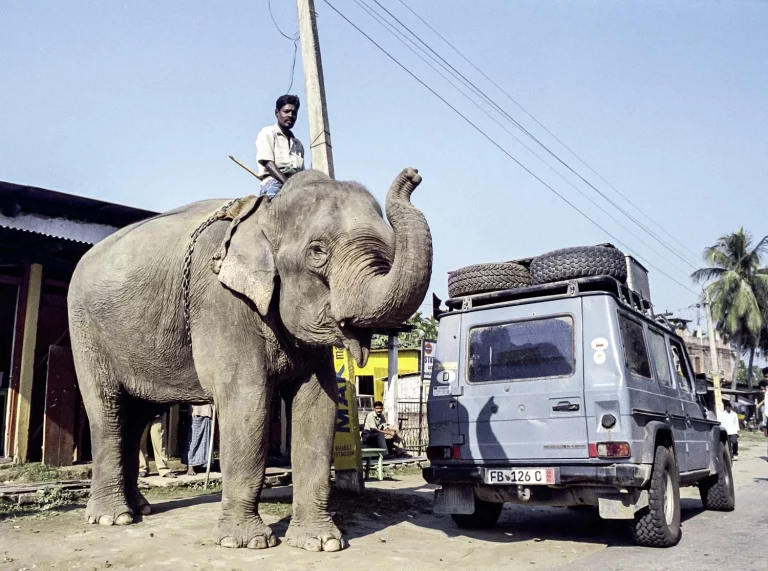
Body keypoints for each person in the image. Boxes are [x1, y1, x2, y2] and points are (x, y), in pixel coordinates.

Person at [255, 94, 305, 199]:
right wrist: (287, 183)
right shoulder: (267, 133)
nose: (290, 115)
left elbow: (301, 174)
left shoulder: (298, 145)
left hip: (296, 187)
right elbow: (267, 162)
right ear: (277, 113)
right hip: (273, 183)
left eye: (294, 113)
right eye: (286, 112)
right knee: (276, 209)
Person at [139, 412, 175, 478]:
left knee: (159, 438)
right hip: (140, 408)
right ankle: (142, 468)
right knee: (140, 438)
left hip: (158, 407)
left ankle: (163, 468)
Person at [183, 404, 214, 475]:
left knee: (205, 441)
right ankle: (190, 467)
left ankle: (203, 465)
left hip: (207, 413)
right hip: (195, 412)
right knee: (193, 440)